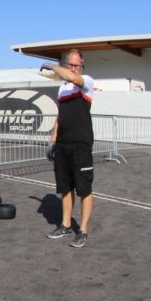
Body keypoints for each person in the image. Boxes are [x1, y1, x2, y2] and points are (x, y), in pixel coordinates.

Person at [44, 49, 95, 248]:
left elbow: (73, 78)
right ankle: (65, 225)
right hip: (63, 143)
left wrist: (53, 67)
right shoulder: (62, 88)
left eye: (76, 65)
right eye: (70, 64)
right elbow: (60, 115)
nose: (73, 68)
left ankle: (83, 230)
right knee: (65, 187)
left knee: (84, 189)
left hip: (81, 143)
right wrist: (53, 140)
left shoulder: (87, 81)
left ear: (82, 66)